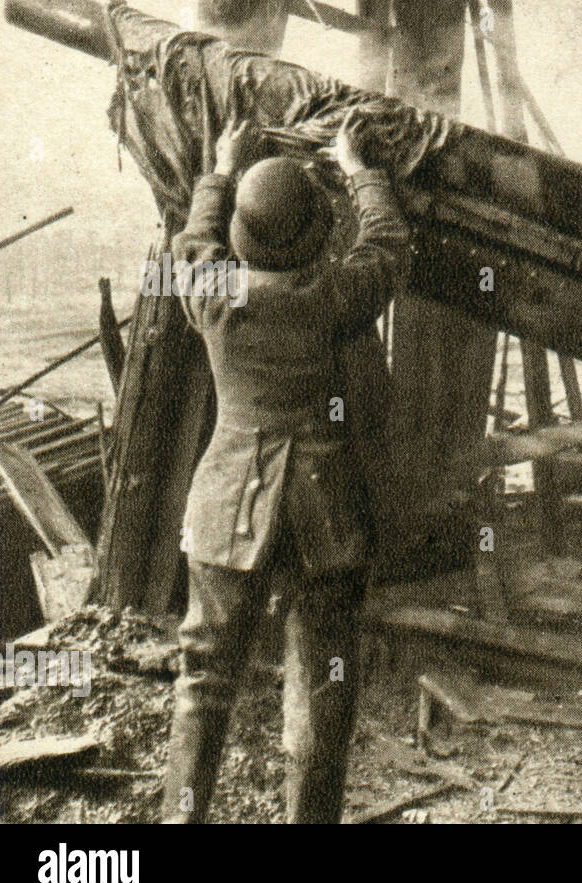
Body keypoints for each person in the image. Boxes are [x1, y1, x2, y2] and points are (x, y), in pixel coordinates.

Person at [160, 108, 410, 823]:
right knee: (324, 681)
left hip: (228, 505)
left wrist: (220, 167)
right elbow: (388, 246)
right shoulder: (334, 298)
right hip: (323, 512)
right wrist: (361, 172)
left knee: (204, 679)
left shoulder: (213, 298)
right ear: (316, 236)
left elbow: (193, 242)